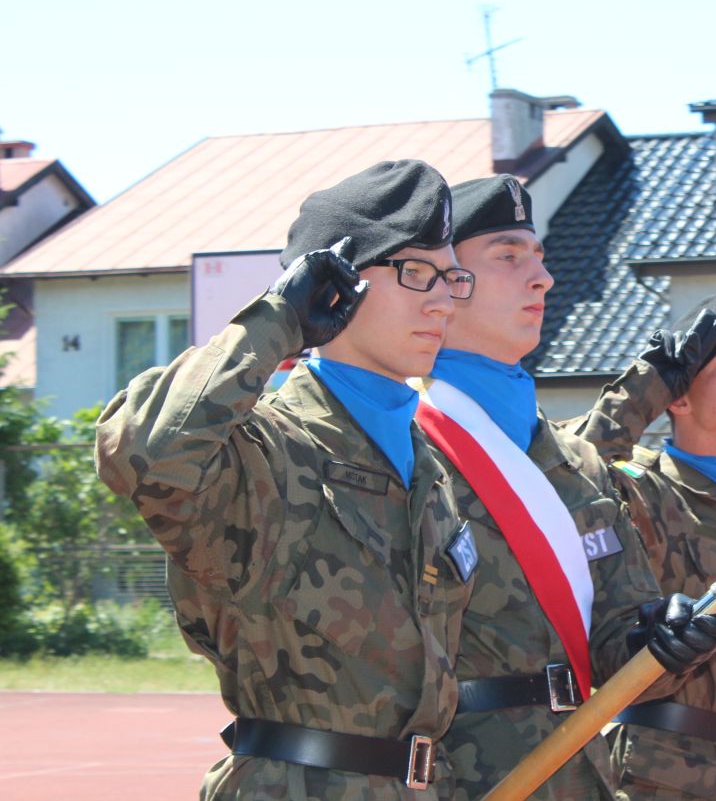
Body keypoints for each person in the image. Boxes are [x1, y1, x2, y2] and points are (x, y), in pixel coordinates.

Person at [95, 160, 476, 799]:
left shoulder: (429, 471)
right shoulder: (265, 448)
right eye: (415, 272)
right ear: (339, 282)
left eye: (452, 277)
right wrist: (276, 322)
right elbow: (145, 455)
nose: (442, 300)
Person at [413, 174, 716, 800]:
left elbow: (615, 639)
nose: (543, 278)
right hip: (453, 780)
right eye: (509, 256)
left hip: (579, 774)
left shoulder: (577, 461)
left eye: (539, 258)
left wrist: (657, 642)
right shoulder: (397, 444)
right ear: (446, 281)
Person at [569, 293, 716, 801]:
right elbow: (573, 467)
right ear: (678, 397)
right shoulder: (645, 487)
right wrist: (651, 379)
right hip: (652, 776)